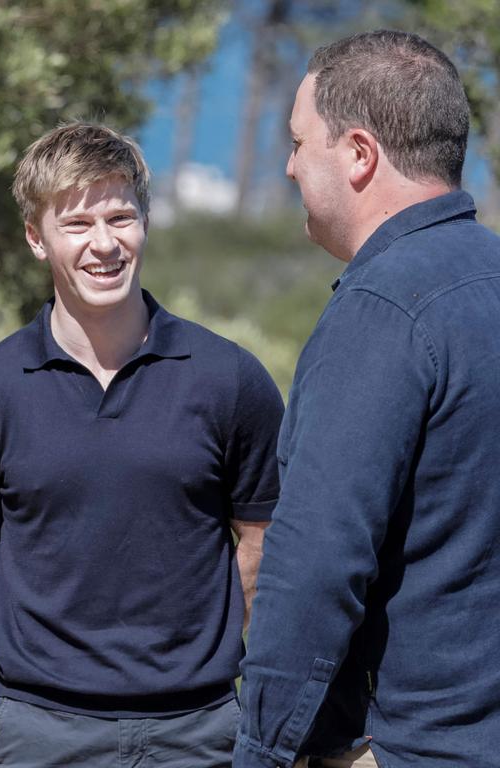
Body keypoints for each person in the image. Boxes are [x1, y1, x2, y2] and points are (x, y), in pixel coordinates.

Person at [0, 122, 284, 767]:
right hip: (42, 733)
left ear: (145, 221)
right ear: (37, 238)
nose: (104, 245)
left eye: (120, 218)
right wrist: (37, 643)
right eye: (77, 225)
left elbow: (265, 537)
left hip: (201, 732)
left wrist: (204, 638)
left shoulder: (230, 378)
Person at [234, 30, 500, 768]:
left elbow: (316, 563)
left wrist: (263, 751)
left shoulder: (384, 311)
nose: (288, 167)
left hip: (416, 745)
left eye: (297, 142)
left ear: (358, 153)